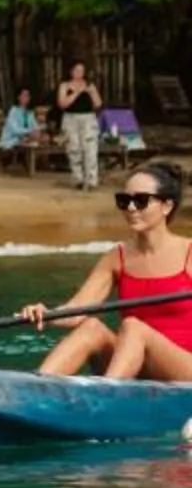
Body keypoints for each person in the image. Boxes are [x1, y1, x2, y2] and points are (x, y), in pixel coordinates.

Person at [21, 163, 192, 383]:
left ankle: (107, 396)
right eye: (124, 200)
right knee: (92, 328)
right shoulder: (117, 258)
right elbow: (78, 311)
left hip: (185, 371)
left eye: (141, 201)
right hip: (136, 368)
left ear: (166, 206)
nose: (130, 208)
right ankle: (35, 387)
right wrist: (45, 314)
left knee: (133, 327)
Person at [55, 59, 104, 190]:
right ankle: (78, 179)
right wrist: (76, 92)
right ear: (71, 71)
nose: (79, 73)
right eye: (77, 70)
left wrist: (90, 91)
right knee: (73, 148)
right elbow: (62, 104)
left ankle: (92, 180)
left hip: (88, 118)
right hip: (71, 118)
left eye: (82, 71)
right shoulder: (65, 86)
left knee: (90, 149)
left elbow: (98, 104)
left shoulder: (89, 85)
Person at [0, 88, 43, 169]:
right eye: (24, 95)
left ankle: (38, 164)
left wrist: (37, 130)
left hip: (25, 139)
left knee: (43, 137)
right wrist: (30, 132)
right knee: (33, 137)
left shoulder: (29, 112)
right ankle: (30, 163)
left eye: (28, 96)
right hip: (11, 141)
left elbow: (35, 126)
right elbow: (15, 130)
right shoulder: (13, 111)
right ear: (18, 97)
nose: (26, 98)